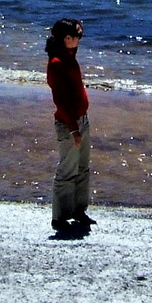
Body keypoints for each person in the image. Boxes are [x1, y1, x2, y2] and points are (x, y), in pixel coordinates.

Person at [45, 17, 92, 238]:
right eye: (78, 35)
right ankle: (60, 217)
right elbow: (61, 101)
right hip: (68, 124)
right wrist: (73, 130)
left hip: (81, 119)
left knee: (82, 168)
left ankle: (79, 210)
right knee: (67, 170)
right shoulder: (57, 64)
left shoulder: (70, 57)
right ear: (67, 38)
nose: (80, 38)